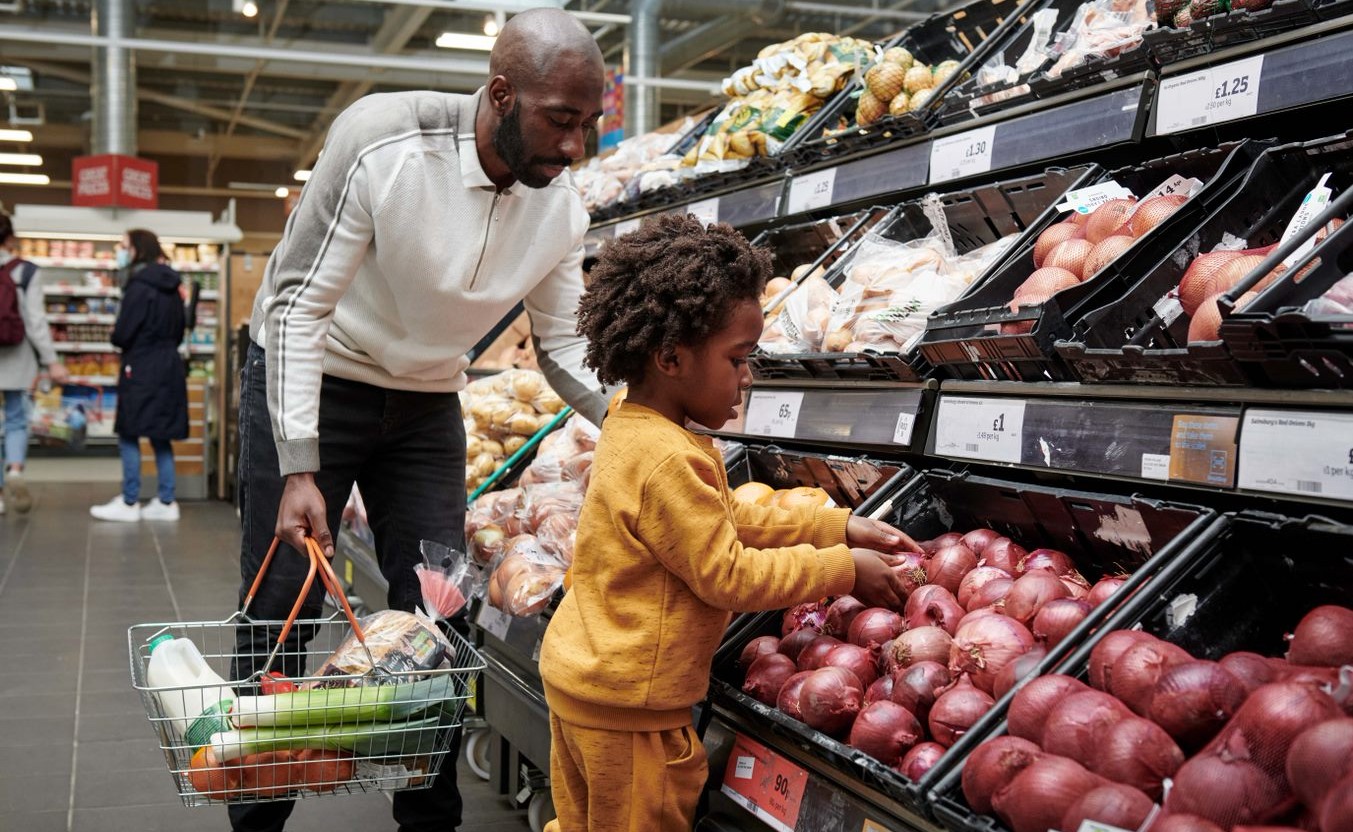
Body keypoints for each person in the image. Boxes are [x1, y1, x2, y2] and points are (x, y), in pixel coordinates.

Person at [231, 8, 609, 832]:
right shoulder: (382, 142)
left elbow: (562, 342)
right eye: (559, 120)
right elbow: (296, 306)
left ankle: (429, 819)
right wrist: (299, 464)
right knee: (282, 606)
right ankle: (257, 815)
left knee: (438, 610)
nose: (574, 145)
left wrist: (633, 421)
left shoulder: (560, 205)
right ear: (501, 94)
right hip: (315, 379)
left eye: (589, 124)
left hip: (427, 399)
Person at [537, 215, 923, 832]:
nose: (748, 376)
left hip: (590, 684)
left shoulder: (636, 425)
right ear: (670, 357)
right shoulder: (664, 458)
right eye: (737, 359)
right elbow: (728, 575)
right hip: (631, 705)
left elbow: (721, 515)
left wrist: (834, 527)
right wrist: (840, 570)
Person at [90, 229, 188, 522]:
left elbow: (123, 334)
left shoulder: (138, 286)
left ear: (136, 249)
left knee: (129, 432)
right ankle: (167, 501)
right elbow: (180, 330)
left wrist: (115, 333)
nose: (121, 251)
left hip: (141, 365)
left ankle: (130, 501)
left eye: (123, 246)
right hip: (169, 364)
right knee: (160, 435)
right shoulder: (173, 285)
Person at [0, 210, 70, 515]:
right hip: (17, 355)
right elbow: (36, 322)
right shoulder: (26, 272)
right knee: (15, 417)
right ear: (10, 237)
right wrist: (52, 361)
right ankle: (15, 470)